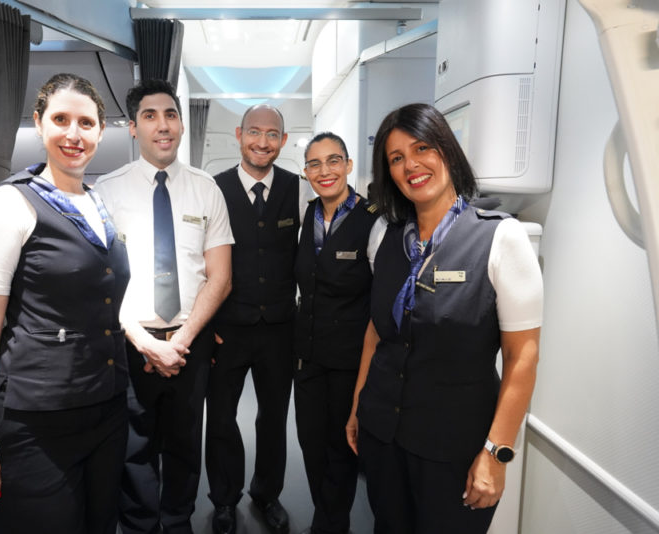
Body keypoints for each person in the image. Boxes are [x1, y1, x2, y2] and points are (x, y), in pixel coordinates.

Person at [345, 103, 543, 533]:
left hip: (454, 448)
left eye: (422, 148)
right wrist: (359, 404)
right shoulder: (387, 238)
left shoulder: (500, 237)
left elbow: (522, 357)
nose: (411, 165)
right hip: (384, 436)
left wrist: (497, 453)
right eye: (396, 159)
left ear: (447, 152)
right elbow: (377, 333)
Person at [0, 73, 129, 534]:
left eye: (86, 123)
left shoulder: (98, 204)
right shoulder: (9, 203)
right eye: (61, 119)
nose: (74, 134)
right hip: (35, 424)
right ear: (38, 123)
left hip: (106, 410)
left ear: (100, 130)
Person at [94, 78, 233, 534]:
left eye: (171, 114)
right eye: (150, 116)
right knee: (133, 450)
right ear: (133, 128)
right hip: (130, 343)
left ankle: (177, 524)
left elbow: (221, 276)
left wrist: (181, 340)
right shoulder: (107, 192)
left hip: (188, 343)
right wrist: (146, 344)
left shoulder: (206, 189)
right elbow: (101, 283)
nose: (163, 125)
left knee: (184, 446)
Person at [205, 104, 310, 534]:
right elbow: (200, 262)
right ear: (238, 134)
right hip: (225, 330)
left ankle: (266, 494)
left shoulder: (300, 190)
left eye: (272, 134)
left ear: (283, 141)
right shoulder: (213, 189)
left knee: (272, 419)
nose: (262, 142)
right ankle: (225, 500)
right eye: (254, 132)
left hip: (280, 330)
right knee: (222, 419)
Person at [294, 132, 378, 534]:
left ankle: (329, 527)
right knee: (311, 446)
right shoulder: (308, 215)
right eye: (314, 163)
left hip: (348, 363)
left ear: (348, 165)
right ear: (306, 171)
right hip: (307, 359)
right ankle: (324, 519)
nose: (324, 171)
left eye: (333, 161)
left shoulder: (372, 220)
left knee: (341, 450)